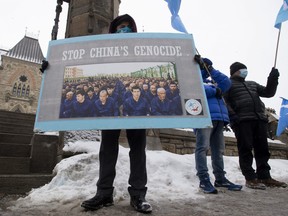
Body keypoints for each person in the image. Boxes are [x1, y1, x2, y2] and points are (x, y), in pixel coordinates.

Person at [81, 14, 152, 213]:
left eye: (128, 26)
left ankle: (138, 194)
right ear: (114, 30)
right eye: (121, 26)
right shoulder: (104, 52)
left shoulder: (141, 49)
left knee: (138, 150)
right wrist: (51, 66)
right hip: (111, 107)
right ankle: (104, 193)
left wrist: (191, 62)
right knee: (107, 149)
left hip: (135, 105)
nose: (125, 29)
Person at [224, 62, 287, 189]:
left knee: (262, 149)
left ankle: (264, 176)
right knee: (245, 149)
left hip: (259, 119)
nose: (245, 71)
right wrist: (233, 117)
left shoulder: (252, 84)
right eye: (242, 69)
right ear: (235, 71)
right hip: (242, 121)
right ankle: (250, 178)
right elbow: (225, 102)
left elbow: (268, 93)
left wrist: (273, 78)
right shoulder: (228, 85)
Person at [193, 55, 243, 194]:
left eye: (207, 66)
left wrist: (211, 69)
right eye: (204, 66)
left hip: (219, 118)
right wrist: (215, 91)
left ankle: (220, 178)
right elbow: (197, 91)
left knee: (218, 150)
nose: (206, 69)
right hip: (203, 117)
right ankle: (203, 180)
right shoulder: (194, 79)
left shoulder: (211, 80)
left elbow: (226, 83)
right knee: (202, 148)